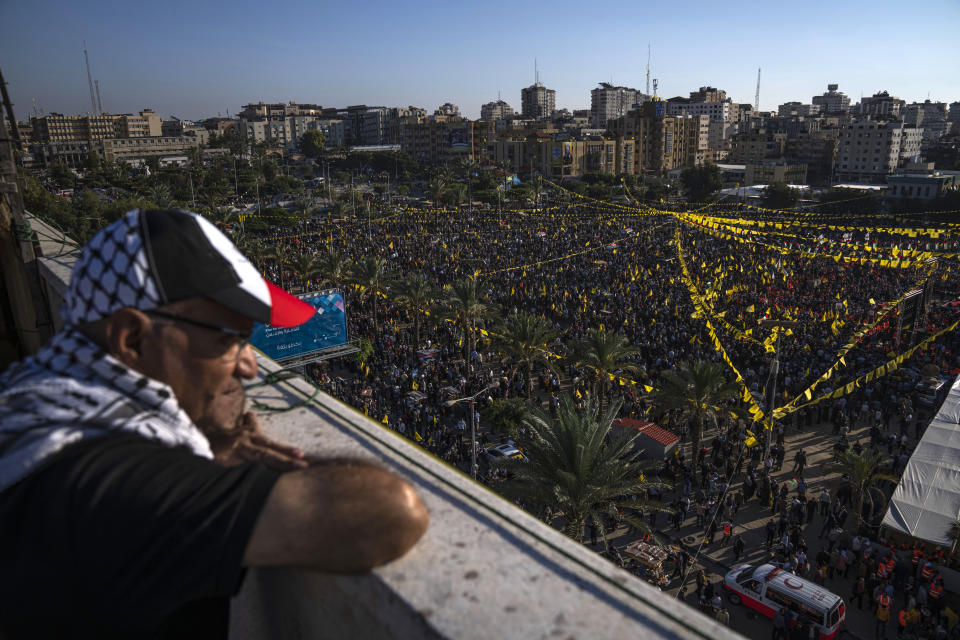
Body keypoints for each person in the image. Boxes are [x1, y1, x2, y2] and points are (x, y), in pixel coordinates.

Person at [0, 209, 430, 639]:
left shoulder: (31, 411)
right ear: (131, 338)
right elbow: (390, 514)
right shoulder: (115, 487)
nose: (249, 366)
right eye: (229, 340)